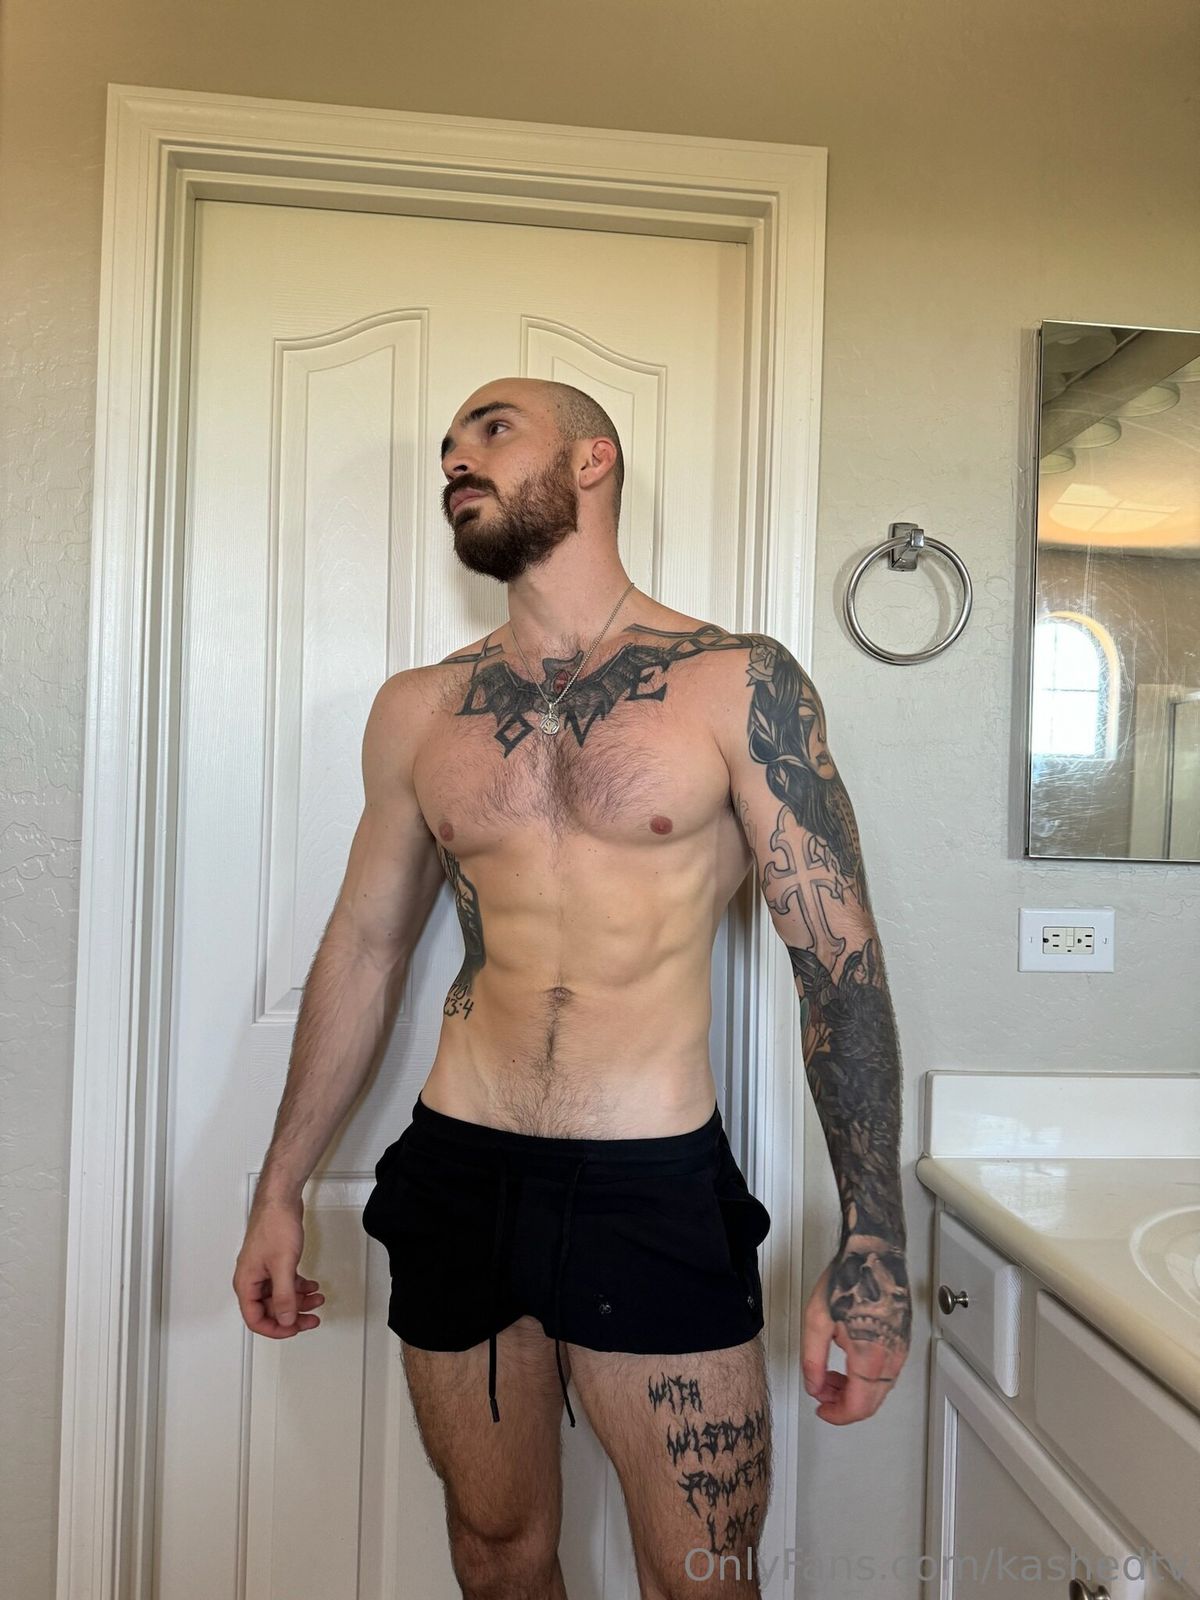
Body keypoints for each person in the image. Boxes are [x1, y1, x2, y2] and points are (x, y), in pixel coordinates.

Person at [233, 376, 911, 1599]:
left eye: (493, 429)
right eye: (449, 446)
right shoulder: (421, 708)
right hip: (458, 1169)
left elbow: (839, 968)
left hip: (651, 1181)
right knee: (495, 1554)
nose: (458, 457)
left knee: (701, 1576)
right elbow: (365, 947)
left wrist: (874, 1235)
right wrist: (278, 1186)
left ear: (592, 461)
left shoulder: (736, 681)